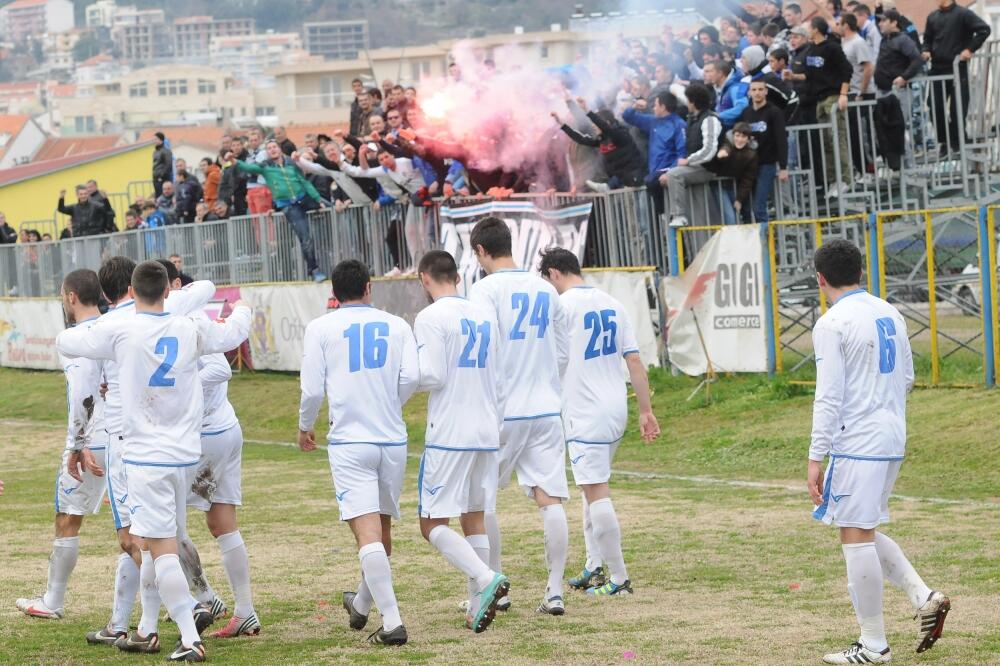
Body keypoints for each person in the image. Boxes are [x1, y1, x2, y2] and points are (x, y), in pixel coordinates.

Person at [56, 260, 250, 662]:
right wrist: (243, 306)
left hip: (143, 456)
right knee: (156, 541)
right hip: (184, 455)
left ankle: (188, 635)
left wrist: (101, 333)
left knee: (158, 549)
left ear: (128, 290)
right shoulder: (188, 326)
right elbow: (233, 331)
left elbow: (66, 342)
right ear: (168, 290)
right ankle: (147, 627)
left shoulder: (120, 329)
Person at [808, 240, 951, 665]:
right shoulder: (889, 311)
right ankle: (924, 596)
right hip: (891, 436)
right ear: (860, 271)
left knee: (853, 534)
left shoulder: (832, 323)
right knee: (862, 527)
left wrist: (815, 456)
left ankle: (874, 645)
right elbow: (906, 376)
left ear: (820, 279)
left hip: (858, 441)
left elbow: (828, 397)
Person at [298, 259, 419, 646]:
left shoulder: (320, 327)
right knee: (382, 530)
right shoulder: (397, 324)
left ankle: (393, 621)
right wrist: (390, 402)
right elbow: (413, 378)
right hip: (392, 438)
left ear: (333, 293)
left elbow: (313, 389)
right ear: (369, 287)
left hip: (351, 440)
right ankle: (362, 604)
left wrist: (305, 425)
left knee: (366, 533)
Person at [538, 248, 660, 597]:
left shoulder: (562, 308)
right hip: (615, 407)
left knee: (596, 490)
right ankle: (594, 564)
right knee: (591, 486)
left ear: (553, 273)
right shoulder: (613, 303)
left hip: (583, 410)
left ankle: (619, 578)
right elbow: (634, 361)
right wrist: (645, 410)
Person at [467, 216, 571, 616]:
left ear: (480, 250)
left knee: (483, 499)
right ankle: (555, 590)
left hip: (503, 409)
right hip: (545, 407)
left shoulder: (484, 290)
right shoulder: (546, 289)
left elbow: (483, 350)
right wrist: (546, 383)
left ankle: (496, 587)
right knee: (550, 499)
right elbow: (563, 351)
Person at [411, 250, 511, 633]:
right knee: (474, 516)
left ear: (425, 278)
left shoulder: (431, 317)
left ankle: (486, 579)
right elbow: (500, 378)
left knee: (431, 523)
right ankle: (476, 605)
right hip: (486, 429)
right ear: (456, 276)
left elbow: (432, 375)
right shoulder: (484, 315)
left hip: (451, 431)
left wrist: (406, 373)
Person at [15, 270, 107, 621]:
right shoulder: (116, 326)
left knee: (68, 517)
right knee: (142, 530)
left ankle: (52, 601)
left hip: (94, 439)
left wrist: (76, 444)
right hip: (128, 437)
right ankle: (199, 596)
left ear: (70, 297)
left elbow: (82, 394)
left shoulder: (73, 338)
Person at [229, 141, 328, 283]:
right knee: (305, 237)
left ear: (280, 149)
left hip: (303, 197)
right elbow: (248, 167)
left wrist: (318, 199)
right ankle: (314, 270)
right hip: (289, 205)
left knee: (329, 207)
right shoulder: (266, 167)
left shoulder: (291, 164)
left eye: (274, 147)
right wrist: (233, 160)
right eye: (269, 149)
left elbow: (305, 182)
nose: (272, 150)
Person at [922, 0, 991, 155]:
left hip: (957, 68)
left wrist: (969, 49)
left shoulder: (963, 13)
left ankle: (958, 140)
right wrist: (926, 50)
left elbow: (984, 30)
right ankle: (945, 141)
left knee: (957, 108)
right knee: (935, 106)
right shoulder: (932, 16)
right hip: (937, 69)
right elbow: (927, 39)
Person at [804, 16, 853, 197]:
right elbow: (810, 76)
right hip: (819, 100)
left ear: (816, 29)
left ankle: (846, 179)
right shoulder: (810, 50)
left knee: (837, 138)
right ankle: (834, 179)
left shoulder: (832, 47)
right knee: (825, 143)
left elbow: (847, 70)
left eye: (809, 27)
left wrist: (843, 94)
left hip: (833, 96)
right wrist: (792, 77)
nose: (807, 30)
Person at [665, 82, 723, 228]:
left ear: (693, 102)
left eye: (688, 100)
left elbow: (710, 150)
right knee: (701, 218)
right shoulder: (695, 117)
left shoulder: (710, 119)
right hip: (698, 167)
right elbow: (684, 95)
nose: (686, 103)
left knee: (674, 175)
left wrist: (688, 161)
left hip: (707, 167)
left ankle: (678, 215)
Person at [622, 91, 686, 220]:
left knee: (650, 181)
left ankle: (664, 216)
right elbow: (628, 117)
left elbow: (682, 152)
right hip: (654, 172)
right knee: (650, 181)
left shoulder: (679, 124)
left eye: (655, 105)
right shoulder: (653, 121)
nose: (653, 108)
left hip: (668, 172)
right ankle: (664, 218)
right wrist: (634, 106)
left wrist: (670, 172)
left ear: (663, 107)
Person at [740, 79, 788, 224]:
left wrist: (783, 167)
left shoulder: (774, 112)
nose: (757, 93)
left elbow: (781, 139)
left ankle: (767, 243)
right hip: (749, 165)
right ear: (749, 93)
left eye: (760, 89)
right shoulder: (746, 113)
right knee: (746, 207)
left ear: (766, 91)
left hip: (767, 164)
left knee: (759, 207)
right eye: (754, 90)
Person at [708, 123, 759, 224]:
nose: (739, 139)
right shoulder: (727, 143)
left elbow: (748, 179)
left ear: (749, 139)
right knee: (730, 218)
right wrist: (722, 154)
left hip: (734, 185)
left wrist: (739, 199)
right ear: (733, 135)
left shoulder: (752, 155)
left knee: (736, 215)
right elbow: (725, 149)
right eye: (737, 135)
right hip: (719, 185)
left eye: (743, 136)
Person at [152, 132, 173, 198]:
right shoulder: (155, 152)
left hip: (162, 179)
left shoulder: (166, 151)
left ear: (161, 140)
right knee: (158, 197)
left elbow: (168, 165)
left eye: (156, 139)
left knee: (164, 196)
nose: (154, 141)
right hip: (156, 178)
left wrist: (161, 176)